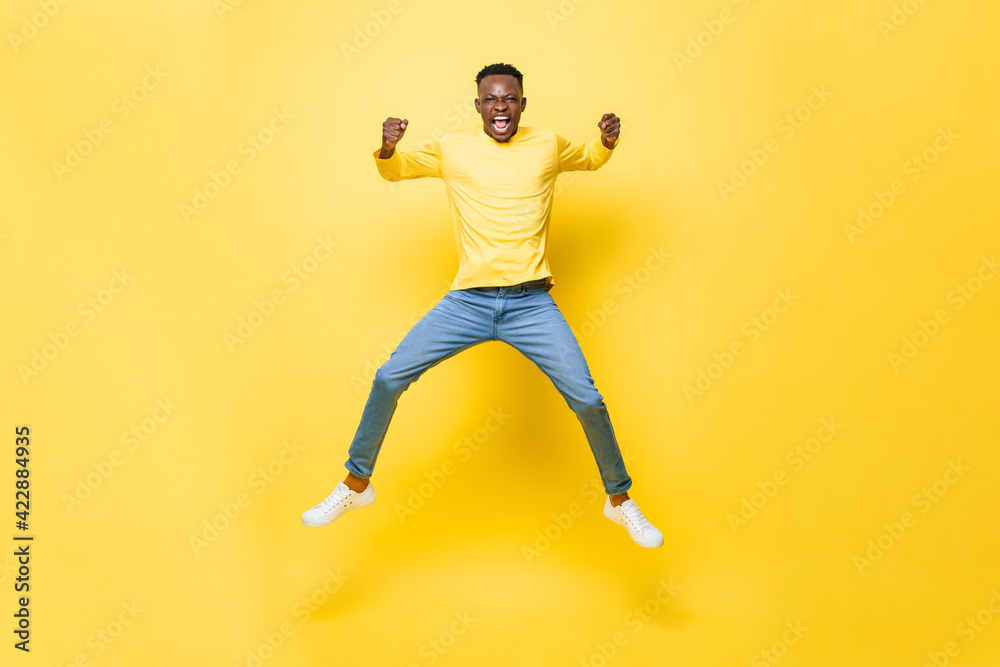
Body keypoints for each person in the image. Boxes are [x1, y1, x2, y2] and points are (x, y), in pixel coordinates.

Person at [301, 63, 662, 548]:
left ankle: (619, 501)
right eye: (491, 99)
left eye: (509, 99)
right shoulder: (453, 148)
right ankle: (355, 485)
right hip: (467, 302)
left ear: (522, 104)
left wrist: (608, 140)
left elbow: (591, 159)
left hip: (530, 303)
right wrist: (387, 147)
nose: (500, 107)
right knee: (389, 377)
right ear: (477, 106)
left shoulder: (547, 144)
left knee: (588, 399)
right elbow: (396, 170)